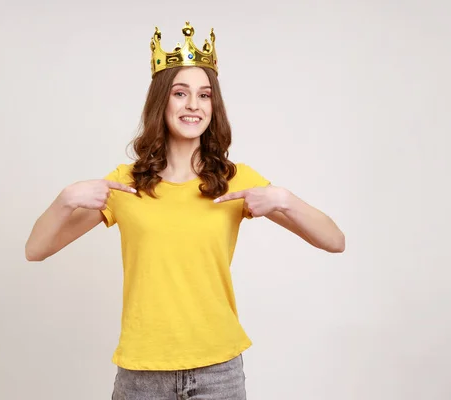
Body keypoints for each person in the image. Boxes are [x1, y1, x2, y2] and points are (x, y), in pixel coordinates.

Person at [25, 21, 345, 400]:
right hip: (142, 374)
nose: (194, 105)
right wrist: (65, 199)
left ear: (214, 105)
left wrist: (285, 200)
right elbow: (36, 249)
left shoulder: (235, 180)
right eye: (181, 93)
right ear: (162, 102)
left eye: (204, 95)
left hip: (218, 372)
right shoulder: (125, 183)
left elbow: (334, 240)